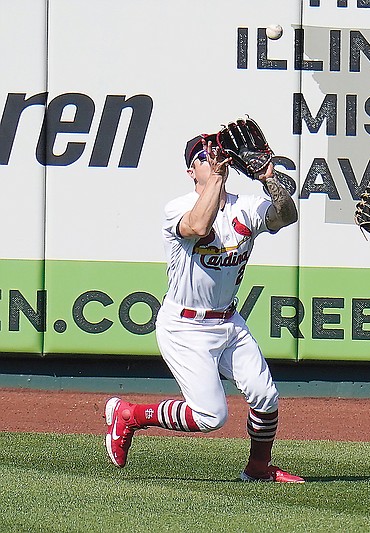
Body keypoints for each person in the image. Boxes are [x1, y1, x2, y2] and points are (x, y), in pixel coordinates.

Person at [104, 131, 303, 483]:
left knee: (265, 396)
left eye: (218, 155)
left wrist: (269, 176)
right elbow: (198, 225)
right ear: (191, 172)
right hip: (184, 327)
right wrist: (217, 178)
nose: (211, 162)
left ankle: (258, 468)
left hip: (228, 322)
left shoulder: (245, 206)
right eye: (202, 158)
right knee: (211, 416)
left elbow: (284, 216)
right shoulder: (177, 208)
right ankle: (130, 414)